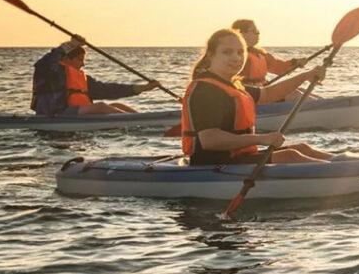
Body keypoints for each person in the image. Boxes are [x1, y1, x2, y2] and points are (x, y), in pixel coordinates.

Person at [180, 28, 333, 165]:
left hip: (237, 158)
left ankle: (351, 164)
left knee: (302, 148)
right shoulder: (206, 89)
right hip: (211, 164)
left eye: (240, 52)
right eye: (227, 52)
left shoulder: (233, 86)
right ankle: (340, 176)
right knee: (291, 156)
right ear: (211, 56)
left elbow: (268, 93)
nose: (236, 58)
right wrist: (261, 138)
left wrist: (306, 76)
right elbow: (210, 140)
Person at [30, 36, 160, 116]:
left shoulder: (82, 78)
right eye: (79, 60)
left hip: (75, 113)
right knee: (101, 107)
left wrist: (143, 88)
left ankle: (144, 122)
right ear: (67, 59)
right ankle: (135, 123)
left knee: (117, 105)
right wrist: (71, 45)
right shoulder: (49, 71)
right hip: (55, 114)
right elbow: (47, 61)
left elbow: (109, 90)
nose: (83, 64)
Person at [231, 19, 303, 100]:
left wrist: (295, 63)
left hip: (262, 91)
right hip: (250, 95)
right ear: (241, 34)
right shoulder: (236, 56)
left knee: (300, 91)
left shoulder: (260, 54)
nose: (258, 33)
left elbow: (279, 67)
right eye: (254, 31)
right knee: (296, 95)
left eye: (257, 31)